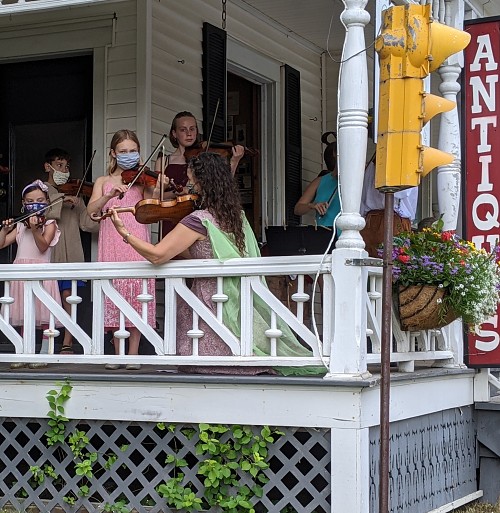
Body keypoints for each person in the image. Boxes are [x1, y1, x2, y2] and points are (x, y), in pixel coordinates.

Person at [108, 152, 325, 376]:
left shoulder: (198, 220)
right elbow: (207, 254)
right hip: (236, 300)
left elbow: (157, 255)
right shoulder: (237, 217)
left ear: (203, 183)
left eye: (192, 181)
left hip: (208, 306)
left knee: (205, 364)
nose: (189, 186)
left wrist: (124, 232)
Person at [87, 129, 157, 370]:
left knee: (136, 291)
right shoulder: (103, 182)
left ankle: (134, 353)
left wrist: (162, 184)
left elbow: (153, 203)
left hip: (135, 239)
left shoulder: (141, 180)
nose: (129, 155)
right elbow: (91, 212)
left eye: (133, 151)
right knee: (116, 291)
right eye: (123, 151)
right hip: (112, 241)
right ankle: (118, 353)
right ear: (113, 154)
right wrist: (109, 196)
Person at [0, 180, 62, 369]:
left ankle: (44, 353)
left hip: (41, 272)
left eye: (40, 200)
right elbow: (2, 244)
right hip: (21, 272)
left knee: (45, 316)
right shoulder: (20, 226)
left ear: (47, 201)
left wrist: (35, 229)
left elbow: (43, 246)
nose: (35, 204)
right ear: (23, 203)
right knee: (22, 314)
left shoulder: (50, 223)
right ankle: (22, 351)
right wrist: (4, 229)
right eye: (30, 201)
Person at [44, 148, 99, 355]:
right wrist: (61, 199)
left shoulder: (75, 194)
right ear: (47, 167)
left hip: (72, 252)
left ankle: (67, 341)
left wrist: (94, 205)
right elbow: (42, 212)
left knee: (69, 295)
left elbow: (88, 225)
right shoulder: (41, 189)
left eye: (66, 166)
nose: (64, 170)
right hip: (50, 252)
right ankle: (47, 341)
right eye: (59, 166)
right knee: (48, 297)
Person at [154, 111, 245, 236]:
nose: (189, 133)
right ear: (174, 133)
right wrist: (176, 192)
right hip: (172, 217)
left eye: (192, 129)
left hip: (199, 216)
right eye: (183, 130)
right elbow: (156, 196)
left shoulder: (205, 159)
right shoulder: (163, 161)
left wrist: (234, 161)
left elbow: (222, 187)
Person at [360, 156, 418, 257]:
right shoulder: (402, 163)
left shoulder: (372, 166)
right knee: (392, 263)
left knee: (373, 263)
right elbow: (401, 192)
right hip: (391, 218)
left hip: (376, 218)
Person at [293, 132, 340, 248]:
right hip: (323, 237)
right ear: (334, 153)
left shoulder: (354, 180)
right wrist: (312, 205)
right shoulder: (320, 181)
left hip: (346, 237)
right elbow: (298, 208)